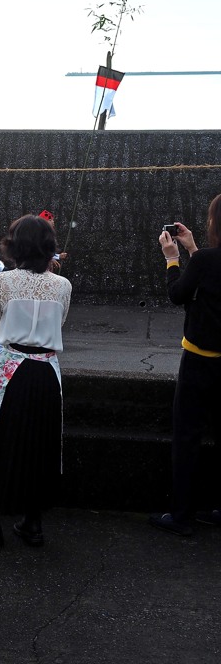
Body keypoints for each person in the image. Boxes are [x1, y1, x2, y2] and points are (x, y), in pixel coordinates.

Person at [0, 215, 71, 548]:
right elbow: (61, 322)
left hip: (11, 369)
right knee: (42, 441)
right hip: (45, 371)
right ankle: (32, 521)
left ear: (15, 245)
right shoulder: (63, 285)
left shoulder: (1, 282)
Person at [149, 196, 221, 536]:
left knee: (187, 437)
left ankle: (181, 514)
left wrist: (172, 259)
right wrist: (194, 249)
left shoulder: (205, 259)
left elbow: (179, 294)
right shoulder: (205, 259)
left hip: (197, 362)